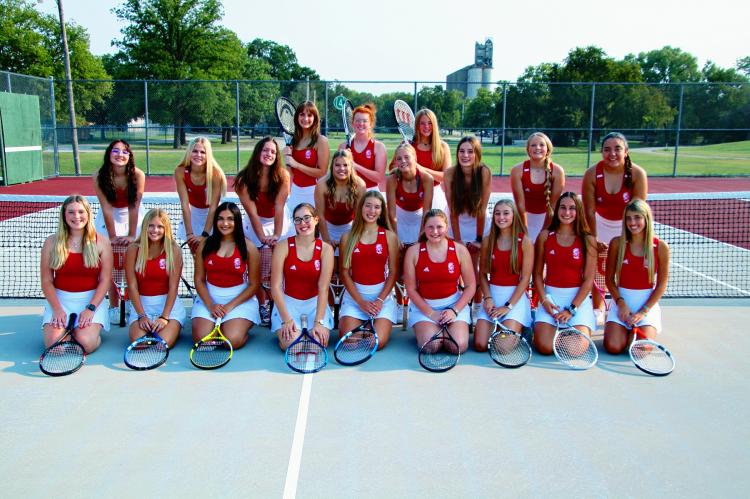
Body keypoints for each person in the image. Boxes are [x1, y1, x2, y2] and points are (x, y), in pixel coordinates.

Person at [582, 132, 648, 315]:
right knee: (598, 268)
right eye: (607, 149)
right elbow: (588, 210)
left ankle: (628, 304)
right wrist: (593, 239)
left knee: (628, 265)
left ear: (626, 151)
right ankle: (599, 307)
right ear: (601, 152)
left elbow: (637, 212)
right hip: (600, 224)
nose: (612, 153)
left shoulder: (637, 174)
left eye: (617, 149)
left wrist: (626, 238)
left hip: (628, 225)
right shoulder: (592, 174)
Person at [40, 195, 113, 353]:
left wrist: (90, 308)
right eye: (71, 212)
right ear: (64, 215)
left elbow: (105, 280)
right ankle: (66, 332)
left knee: (85, 344)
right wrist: (57, 309)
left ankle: (91, 335)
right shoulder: (51, 242)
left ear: (88, 214)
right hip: (60, 300)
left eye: (81, 211)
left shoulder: (101, 242)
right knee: (55, 348)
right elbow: (46, 281)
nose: (77, 216)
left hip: (91, 300)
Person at [402, 209, 476, 353]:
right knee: (431, 346)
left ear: (446, 227)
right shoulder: (413, 252)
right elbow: (410, 289)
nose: (435, 231)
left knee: (457, 346)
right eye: (430, 227)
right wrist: (431, 314)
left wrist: (454, 311)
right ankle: (432, 332)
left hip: (453, 306)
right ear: (424, 228)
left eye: (439, 227)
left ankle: (447, 331)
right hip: (425, 308)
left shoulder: (460, 250)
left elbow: (470, 285)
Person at [532, 192, 597, 354]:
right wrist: (544, 300)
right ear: (557, 210)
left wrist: (571, 309)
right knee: (545, 347)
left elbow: (589, 280)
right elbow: (537, 274)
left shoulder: (587, 239)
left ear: (578, 211)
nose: (567, 212)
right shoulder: (545, 236)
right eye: (563, 207)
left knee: (574, 350)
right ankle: (542, 328)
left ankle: (572, 330)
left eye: (572, 208)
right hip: (551, 299)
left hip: (577, 302)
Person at [603, 199, 669, 354]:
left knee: (640, 351)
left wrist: (643, 312)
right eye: (628, 218)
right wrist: (621, 304)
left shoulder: (660, 247)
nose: (632, 222)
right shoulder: (617, 244)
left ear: (646, 218)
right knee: (613, 347)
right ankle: (621, 331)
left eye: (637, 217)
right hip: (622, 303)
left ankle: (641, 329)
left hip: (646, 305)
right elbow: (609, 280)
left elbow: (661, 285)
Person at [191, 202, 260, 349]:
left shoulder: (249, 247)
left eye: (230, 219)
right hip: (210, 299)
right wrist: (210, 305)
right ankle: (221, 325)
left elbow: (254, 285)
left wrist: (229, 307)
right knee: (202, 340)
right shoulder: (205, 245)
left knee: (231, 341)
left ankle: (239, 327)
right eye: (220, 219)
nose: (225, 223)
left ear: (237, 221)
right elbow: (199, 279)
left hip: (239, 300)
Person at [338, 191, 400, 349]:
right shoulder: (347, 237)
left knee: (375, 344)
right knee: (349, 343)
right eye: (368, 206)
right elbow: (344, 273)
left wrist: (379, 300)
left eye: (377, 207)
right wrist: (360, 302)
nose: (372, 211)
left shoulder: (389, 236)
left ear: (381, 211)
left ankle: (372, 326)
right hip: (355, 298)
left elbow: (393, 272)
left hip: (382, 299)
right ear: (361, 208)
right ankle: (366, 325)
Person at [270, 203, 335, 350]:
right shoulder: (282, 246)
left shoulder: (326, 249)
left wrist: (318, 321)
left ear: (316, 219)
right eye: (297, 219)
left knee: (317, 346)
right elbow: (275, 287)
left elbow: (323, 287)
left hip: (316, 305)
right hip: (289, 304)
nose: (302, 223)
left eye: (307, 218)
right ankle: (290, 332)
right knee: (293, 346)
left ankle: (311, 330)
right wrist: (286, 319)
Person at [474, 199, 534, 352]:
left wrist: (508, 307)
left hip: (514, 299)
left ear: (514, 216)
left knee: (502, 348)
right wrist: (487, 299)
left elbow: (525, 278)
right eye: (497, 213)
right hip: (492, 297)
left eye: (506, 213)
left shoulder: (525, 242)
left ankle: (522, 327)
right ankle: (503, 329)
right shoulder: (488, 240)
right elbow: (483, 275)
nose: (501, 217)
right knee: (480, 345)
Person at [443, 136, 492, 314]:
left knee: (475, 267)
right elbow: (453, 211)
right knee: (457, 267)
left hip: (479, 224)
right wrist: (458, 241)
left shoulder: (484, 172)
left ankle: (477, 308)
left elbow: (482, 209)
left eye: (470, 151)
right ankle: (459, 307)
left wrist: (479, 240)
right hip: (456, 225)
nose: (465, 155)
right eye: (462, 151)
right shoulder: (450, 173)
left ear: (477, 154)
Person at [124, 208, 185, 347]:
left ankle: (174, 327)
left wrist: (164, 317)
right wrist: (141, 315)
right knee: (140, 344)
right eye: (151, 226)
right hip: (142, 306)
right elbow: (132, 286)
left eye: (160, 227)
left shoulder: (174, 250)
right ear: (145, 226)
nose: (155, 230)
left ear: (166, 229)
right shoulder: (133, 249)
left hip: (168, 307)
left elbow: (173, 287)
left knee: (161, 345)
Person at [234, 137, 292, 248]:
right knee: (258, 255)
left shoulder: (283, 176)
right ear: (257, 152)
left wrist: (276, 235)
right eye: (265, 150)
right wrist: (262, 237)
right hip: (255, 220)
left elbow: (279, 207)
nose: (269, 154)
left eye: (273, 152)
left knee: (282, 255)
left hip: (279, 219)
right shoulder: (243, 180)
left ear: (276, 156)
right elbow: (253, 213)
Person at [174, 137, 227, 252]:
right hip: (192, 216)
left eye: (203, 152)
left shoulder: (215, 174)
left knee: (212, 257)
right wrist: (189, 234)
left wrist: (205, 234)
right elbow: (184, 205)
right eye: (195, 151)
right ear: (189, 152)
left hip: (212, 217)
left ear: (208, 154)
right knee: (196, 257)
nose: (198, 155)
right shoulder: (180, 172)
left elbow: (213, 207)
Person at [510, 132, 565, 242]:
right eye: (533, 145)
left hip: (547, 220)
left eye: (541, 145)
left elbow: (553, 206)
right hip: (523, 220)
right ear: (528, 149)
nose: (537, 148)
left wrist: (544, 231)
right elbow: (520, 205)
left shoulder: (557, 171)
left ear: (548, 149)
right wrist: (525, 231)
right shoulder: (517, 170)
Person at [93, 139, 146, 246]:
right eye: (115, 151)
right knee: (103, 246)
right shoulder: (98, 175)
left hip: (134, 213)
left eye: (125, 152)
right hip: (109, 213)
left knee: (137, 246)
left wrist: (131, 235)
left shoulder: (138, 175)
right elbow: (106, 208)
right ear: (109, 153)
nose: (120, 155)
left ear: (129, 156)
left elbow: (134, 206)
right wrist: (112, 237)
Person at [314, 149, 366, 254]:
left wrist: (353, 237)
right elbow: (320, 215)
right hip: (327, 228)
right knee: (329, 266)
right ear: (332, 166)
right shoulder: (322, 184)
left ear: (351, 167)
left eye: (345, 165)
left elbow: (359, 216)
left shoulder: (360, 185)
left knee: (347, 266)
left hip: (350, 228)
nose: (342, 169)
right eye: (337, 165)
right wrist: (327, 240)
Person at [385, 142, 434, 246]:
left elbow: (426, 212)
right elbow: (391, 214)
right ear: (395, 162)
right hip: (399, 219)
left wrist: (421, 236)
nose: (403, 161)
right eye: (399, 159)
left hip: (419, 219)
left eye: (407, 157)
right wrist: (396, 237)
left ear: (415, 158)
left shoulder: (427, 178)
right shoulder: (392, 179)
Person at [284, 101, 330, 211]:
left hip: (313, 192)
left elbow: (322, 172)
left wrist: (297, 164)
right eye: (302, 114)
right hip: (295, 192)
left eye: (309, 115)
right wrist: (287, 158)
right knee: (292, 226)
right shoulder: (293, 141)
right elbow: (290, 173)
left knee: (312, 226)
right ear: (297, 117)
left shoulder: (321, 140)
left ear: (315, 118)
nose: (305, 119)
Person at [339, 103, 386, 191]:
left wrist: (354, 165)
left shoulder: (378, 147)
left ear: (370, 124)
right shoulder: (343, 146)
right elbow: (338, 174)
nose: (361, 124)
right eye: (357, 120)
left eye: (365, 121)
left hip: (371, 193)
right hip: (349, 192)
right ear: (352, 123)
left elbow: (379, 177)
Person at [412, 109, 451, 212]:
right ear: (417, 125)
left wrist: (419, 168)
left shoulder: (443, 146)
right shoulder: (408, 145)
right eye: (422, 123)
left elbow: (446, 177)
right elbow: (393, 168)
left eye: (430, 123)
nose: (426, 127)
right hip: (412, 194)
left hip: (435, 196)